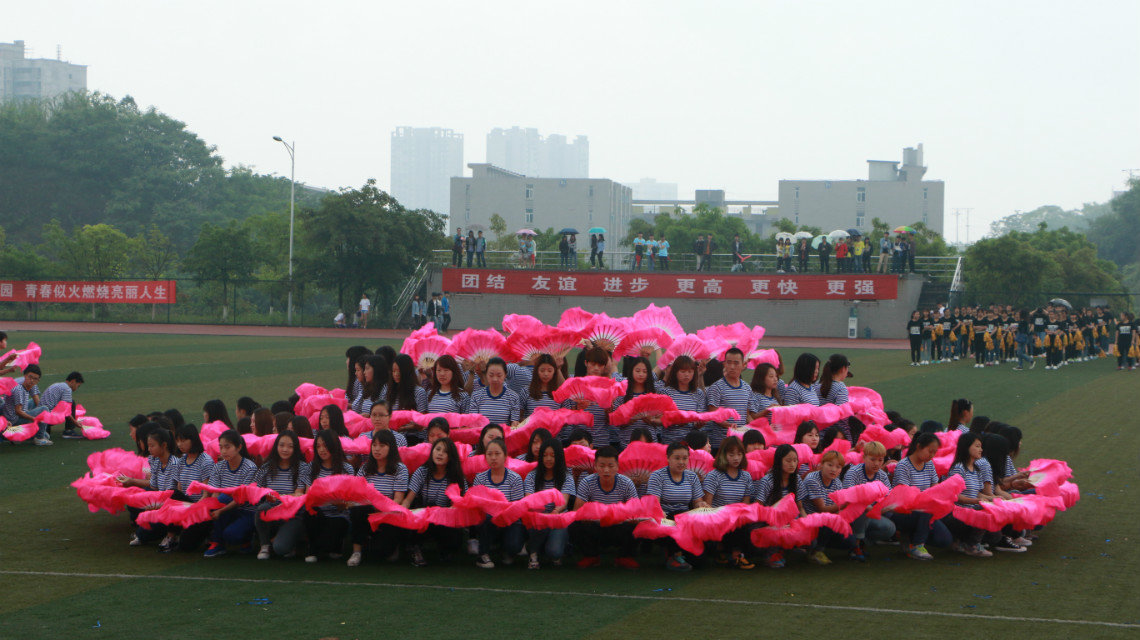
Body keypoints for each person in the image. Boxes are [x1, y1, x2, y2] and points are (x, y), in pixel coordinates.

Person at [571, 446, 640, 569]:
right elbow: (577, 511)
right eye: (602, 466)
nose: (606, 470)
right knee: (575, 524)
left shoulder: (626, 483)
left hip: (619, 526)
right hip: (596, 526)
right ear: (595, 466)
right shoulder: (587, 482)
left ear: (618, 466)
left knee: (637, 524)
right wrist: (586, 516)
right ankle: (591, 556)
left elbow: (636, 511)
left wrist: (630, 517)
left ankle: (624, 556)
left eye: (611, 466)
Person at [348, 430, 408, 566]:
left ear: (391, 447)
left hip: (388, 513)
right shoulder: (365, 468)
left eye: (382, 445)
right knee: (358, 509)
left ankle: (390, 545)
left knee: (382, 553)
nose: (377, 449)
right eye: (374, 445)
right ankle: (356, 551)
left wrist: (379, 507)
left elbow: (398, 500)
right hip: (367, 510)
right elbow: (357, 493)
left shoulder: (400, 469)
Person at [890, 432, 952, 560]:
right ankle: (917, 544)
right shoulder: (903, 466)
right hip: (904, 511)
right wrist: (927, 498)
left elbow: (935, 486)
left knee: (944, 540)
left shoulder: (929, 464)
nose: (932, 455)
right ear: (918, 446)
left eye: (934, 452)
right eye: (930, 451)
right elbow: (904, 495)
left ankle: (910, 536)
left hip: (923, 511)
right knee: (925, 510)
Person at [201, 430, 259, 558]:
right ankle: (217, 542)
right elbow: (215, 493)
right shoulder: (218, 467)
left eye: (228, 447)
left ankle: (246, 539)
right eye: (221, 447)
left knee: (231, 535)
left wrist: (220, 511)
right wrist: (213, 508)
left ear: (239, 447)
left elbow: (242, 499)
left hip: (246, 510)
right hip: (227, 507)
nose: (223, 451)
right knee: (217, 500)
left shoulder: (250, 467)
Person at [254, 431, 310, 560]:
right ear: (276, 446)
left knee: (281, 549)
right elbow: (257, 491)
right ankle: (265, 545)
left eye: (290, 446)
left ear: (295, 449)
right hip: (271, 510)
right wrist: (270, 496)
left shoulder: (302, 467)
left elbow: (299, 494)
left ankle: (289, 541)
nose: (285, 449)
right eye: (282, 445)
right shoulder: (267, 467)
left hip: (292, 514)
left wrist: (278, 496)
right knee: (261, 510)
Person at [472, 438, 526, 568]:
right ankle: (483, 554)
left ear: (505, 456)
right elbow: (475, 504)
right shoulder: (480, 478)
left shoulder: (515, 478)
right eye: (489, 454)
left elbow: (517, 508)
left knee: (514, 546)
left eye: (497, 454)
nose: (493, 458)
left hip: (510, 521)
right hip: (488, 521)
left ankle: (507, 551)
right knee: (486, 517)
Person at [303, 430, 355, 563]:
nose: (322, 450)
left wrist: (335, 500)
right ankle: (313, 549)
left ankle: (334, 545)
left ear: (334, 446)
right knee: (309, 513)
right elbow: (309, 495)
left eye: (325, 446)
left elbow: (348, 500)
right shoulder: (312, 467)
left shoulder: (346, 469)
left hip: (338, 514)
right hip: (318, 513)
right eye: (318, 446)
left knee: (332, 537)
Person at [524, 439, 575, 568]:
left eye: (552, 456)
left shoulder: (566, 476)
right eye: (545, 455)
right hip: (538, 518)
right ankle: (533, 552)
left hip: (558, 518)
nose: (548, 459)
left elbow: (563, 501)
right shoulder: (531, 476)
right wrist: (542, 515)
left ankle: (557, 548)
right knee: (536, 521)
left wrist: (555, 512)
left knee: (554, 552)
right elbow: (529, 500)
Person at [841, 441, 896, 560]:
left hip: (872, 513)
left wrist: (884, 507)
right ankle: (855, 546)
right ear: (864, 457)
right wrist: (870, 508)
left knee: (889, 528)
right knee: (862, 509)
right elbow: (848, 497)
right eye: (873, 459)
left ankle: (862, 541)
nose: (877, 463)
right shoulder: (853, 472)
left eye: (880, 460)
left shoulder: (882, 475)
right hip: (852, 514)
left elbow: (888, 496)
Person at [704, 348, 751, 451]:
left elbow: (747, 415)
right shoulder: (716, 387)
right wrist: (729, 425)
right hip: (720, 444)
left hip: (740, 443)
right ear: (724, 364)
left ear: (743, 365)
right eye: (729, 363)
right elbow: (713, 414)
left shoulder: (747, 388)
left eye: (736, 363)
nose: (732, 367)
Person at [3, 364, 48, 445]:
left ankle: (21, 435)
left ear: (38, 380)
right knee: (45, 409)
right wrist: (34, 418)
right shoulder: (18, 389)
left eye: (35, 379)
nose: (32, 381)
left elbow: (37, 402)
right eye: (30, 377)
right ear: (25, 375)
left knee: (41, 409)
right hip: (14, 420)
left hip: (19, 412)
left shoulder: (31, 384)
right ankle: (39, 438)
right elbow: (18, 412)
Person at [40, 371, 84, 439]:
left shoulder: (59, 385)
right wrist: (75, 423)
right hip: (48, 417)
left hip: (41, 416)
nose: (77, 388)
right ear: (73, 381)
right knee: (71, 403)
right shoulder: (67, 389)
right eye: (78, 385)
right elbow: (67, 411)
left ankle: (45, 429)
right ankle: (69, 431)